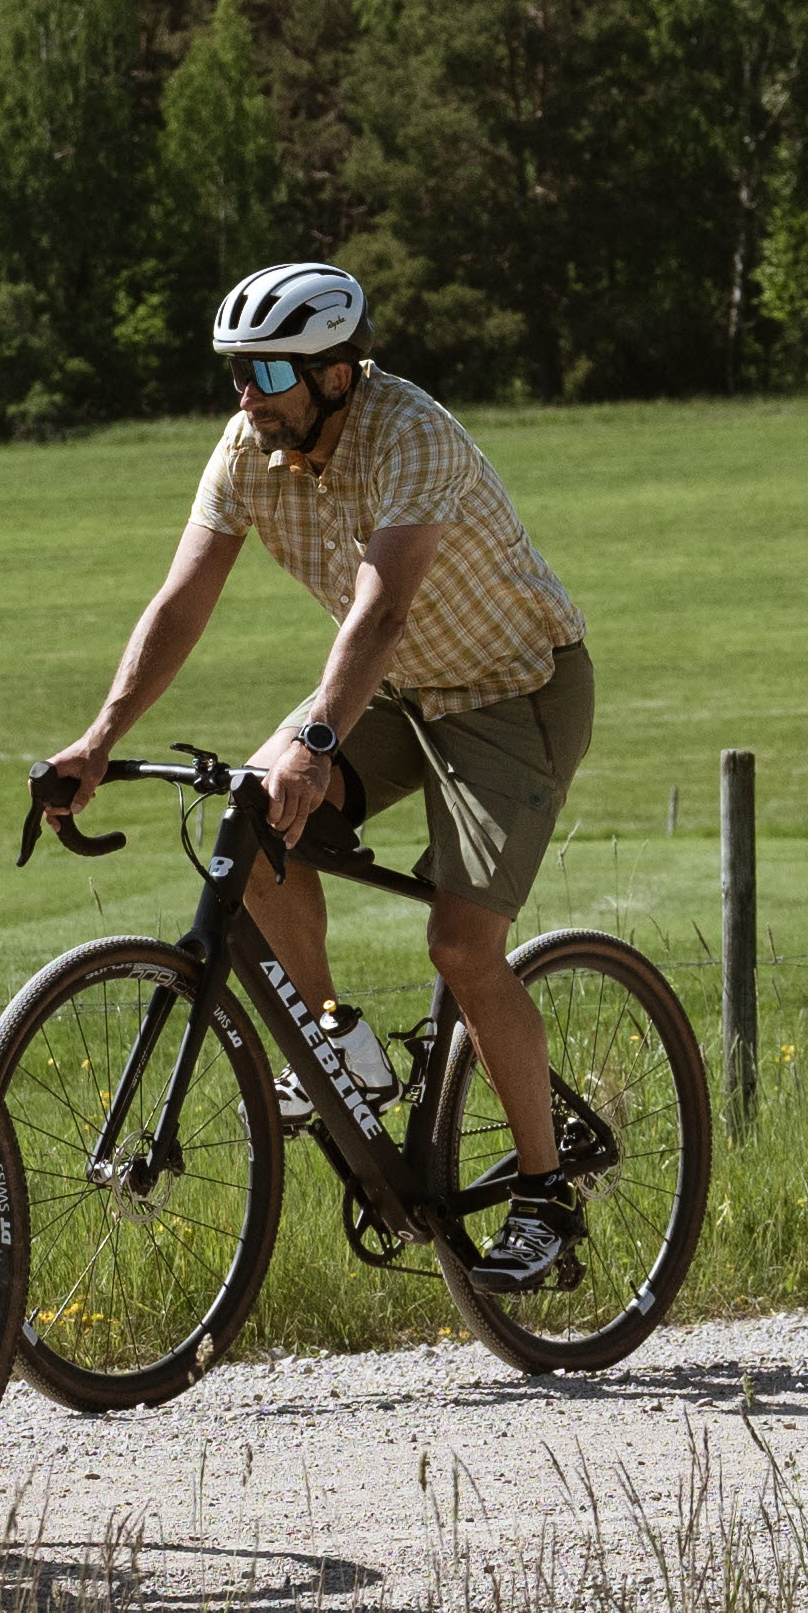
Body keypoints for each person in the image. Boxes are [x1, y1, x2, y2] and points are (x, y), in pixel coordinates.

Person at [34, 256, 603, 1290]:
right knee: (247, 823)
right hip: (395, 690)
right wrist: (101, 734)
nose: (246, 396)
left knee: (463, 948)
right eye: (235, 374)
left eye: (269, 373)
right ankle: (340, 1043)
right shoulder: (249, 446)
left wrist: (319, 741)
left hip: (514, 691)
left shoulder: (411, 435)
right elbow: (180, 602)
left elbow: (383, 610)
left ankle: (544, 1195)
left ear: (338, 375)